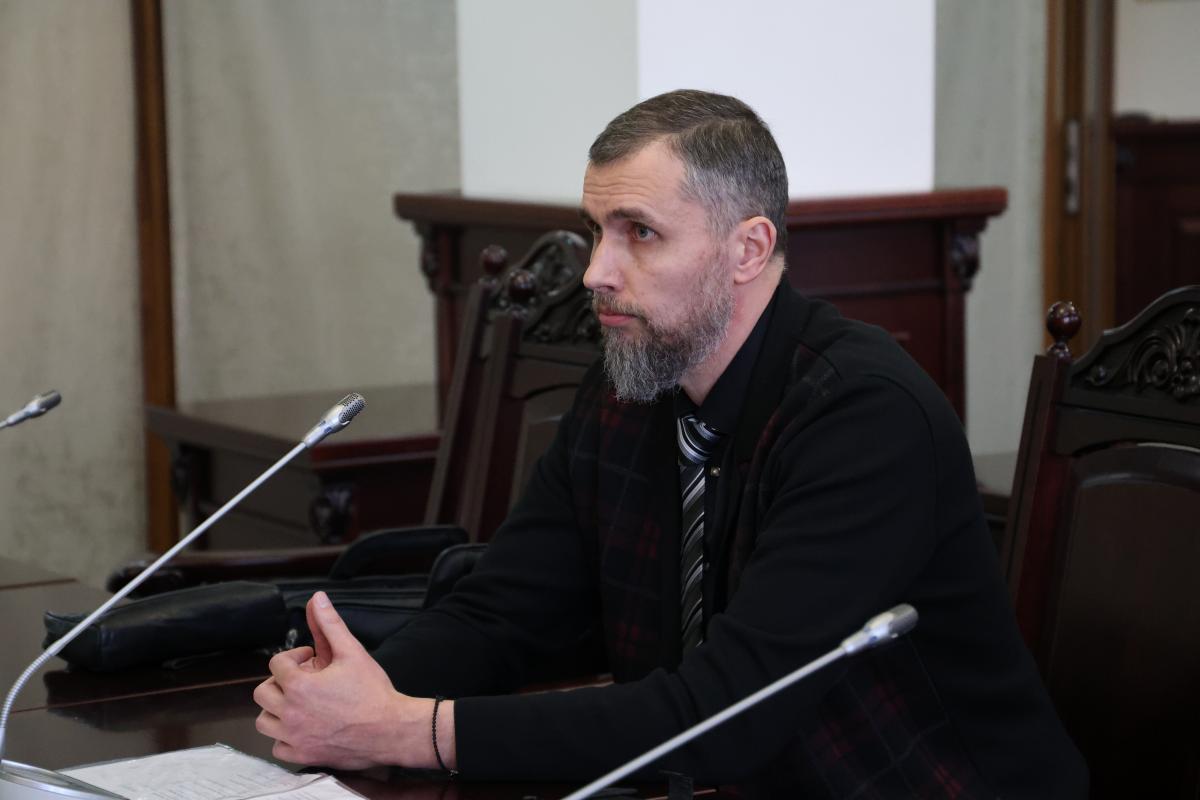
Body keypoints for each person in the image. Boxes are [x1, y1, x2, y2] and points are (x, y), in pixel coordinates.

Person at [253, 90, 1088, 797]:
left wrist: (413, 731)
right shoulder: (631, 383)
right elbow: (504, 609)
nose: (596, 271)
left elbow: (723, 716)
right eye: (595, 229)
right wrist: (362, 690)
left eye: (639, 233)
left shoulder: (865, 417)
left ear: (748, 249)